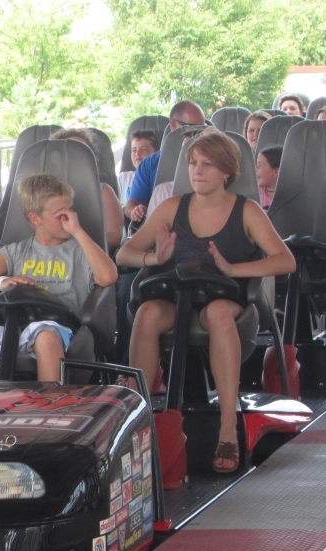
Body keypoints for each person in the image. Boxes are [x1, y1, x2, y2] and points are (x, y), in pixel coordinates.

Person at [116, 130, 295, 473]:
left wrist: (233, 268)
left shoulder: (247, 210)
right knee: (148, 312)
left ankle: (227, 427)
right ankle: (137, 424)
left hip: (225, 298)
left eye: (207, 165)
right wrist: (156, 257)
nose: (197, 171)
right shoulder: (171, 207)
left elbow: (284, 261)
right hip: (177, 295)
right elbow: (126, 252)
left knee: (216, 313)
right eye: (193, 163)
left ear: (227, 172)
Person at [0, 174, 118, 382]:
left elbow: (108, 276)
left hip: (57, 324)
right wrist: (2, 282)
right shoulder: (16, 252)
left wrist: (77, 231)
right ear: (35, 219)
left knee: (46, 338)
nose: (69, 218)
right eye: (61, 215)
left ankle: (50, 406)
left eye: (71, 210)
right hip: (13, 323)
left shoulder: (80, 251)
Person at [124, 101, 207, 225]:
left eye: (202, 128)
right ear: (173, 125)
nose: (198, 135)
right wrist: (135, 211)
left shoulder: (216, 161)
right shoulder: (150, 166)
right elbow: (133, 202)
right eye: (191, 128)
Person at [50, 128, 124, 248]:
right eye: (72, 151)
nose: (78, 156)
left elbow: (114, 236)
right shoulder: (42, 193)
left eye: (82, 151)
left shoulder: (103, 191)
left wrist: (75, 247)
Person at [118, 129, 160, 204]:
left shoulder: (160, 180)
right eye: (134, 150)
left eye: (144, 149)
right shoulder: (123, 178)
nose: (137, 154)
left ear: (156, 153)